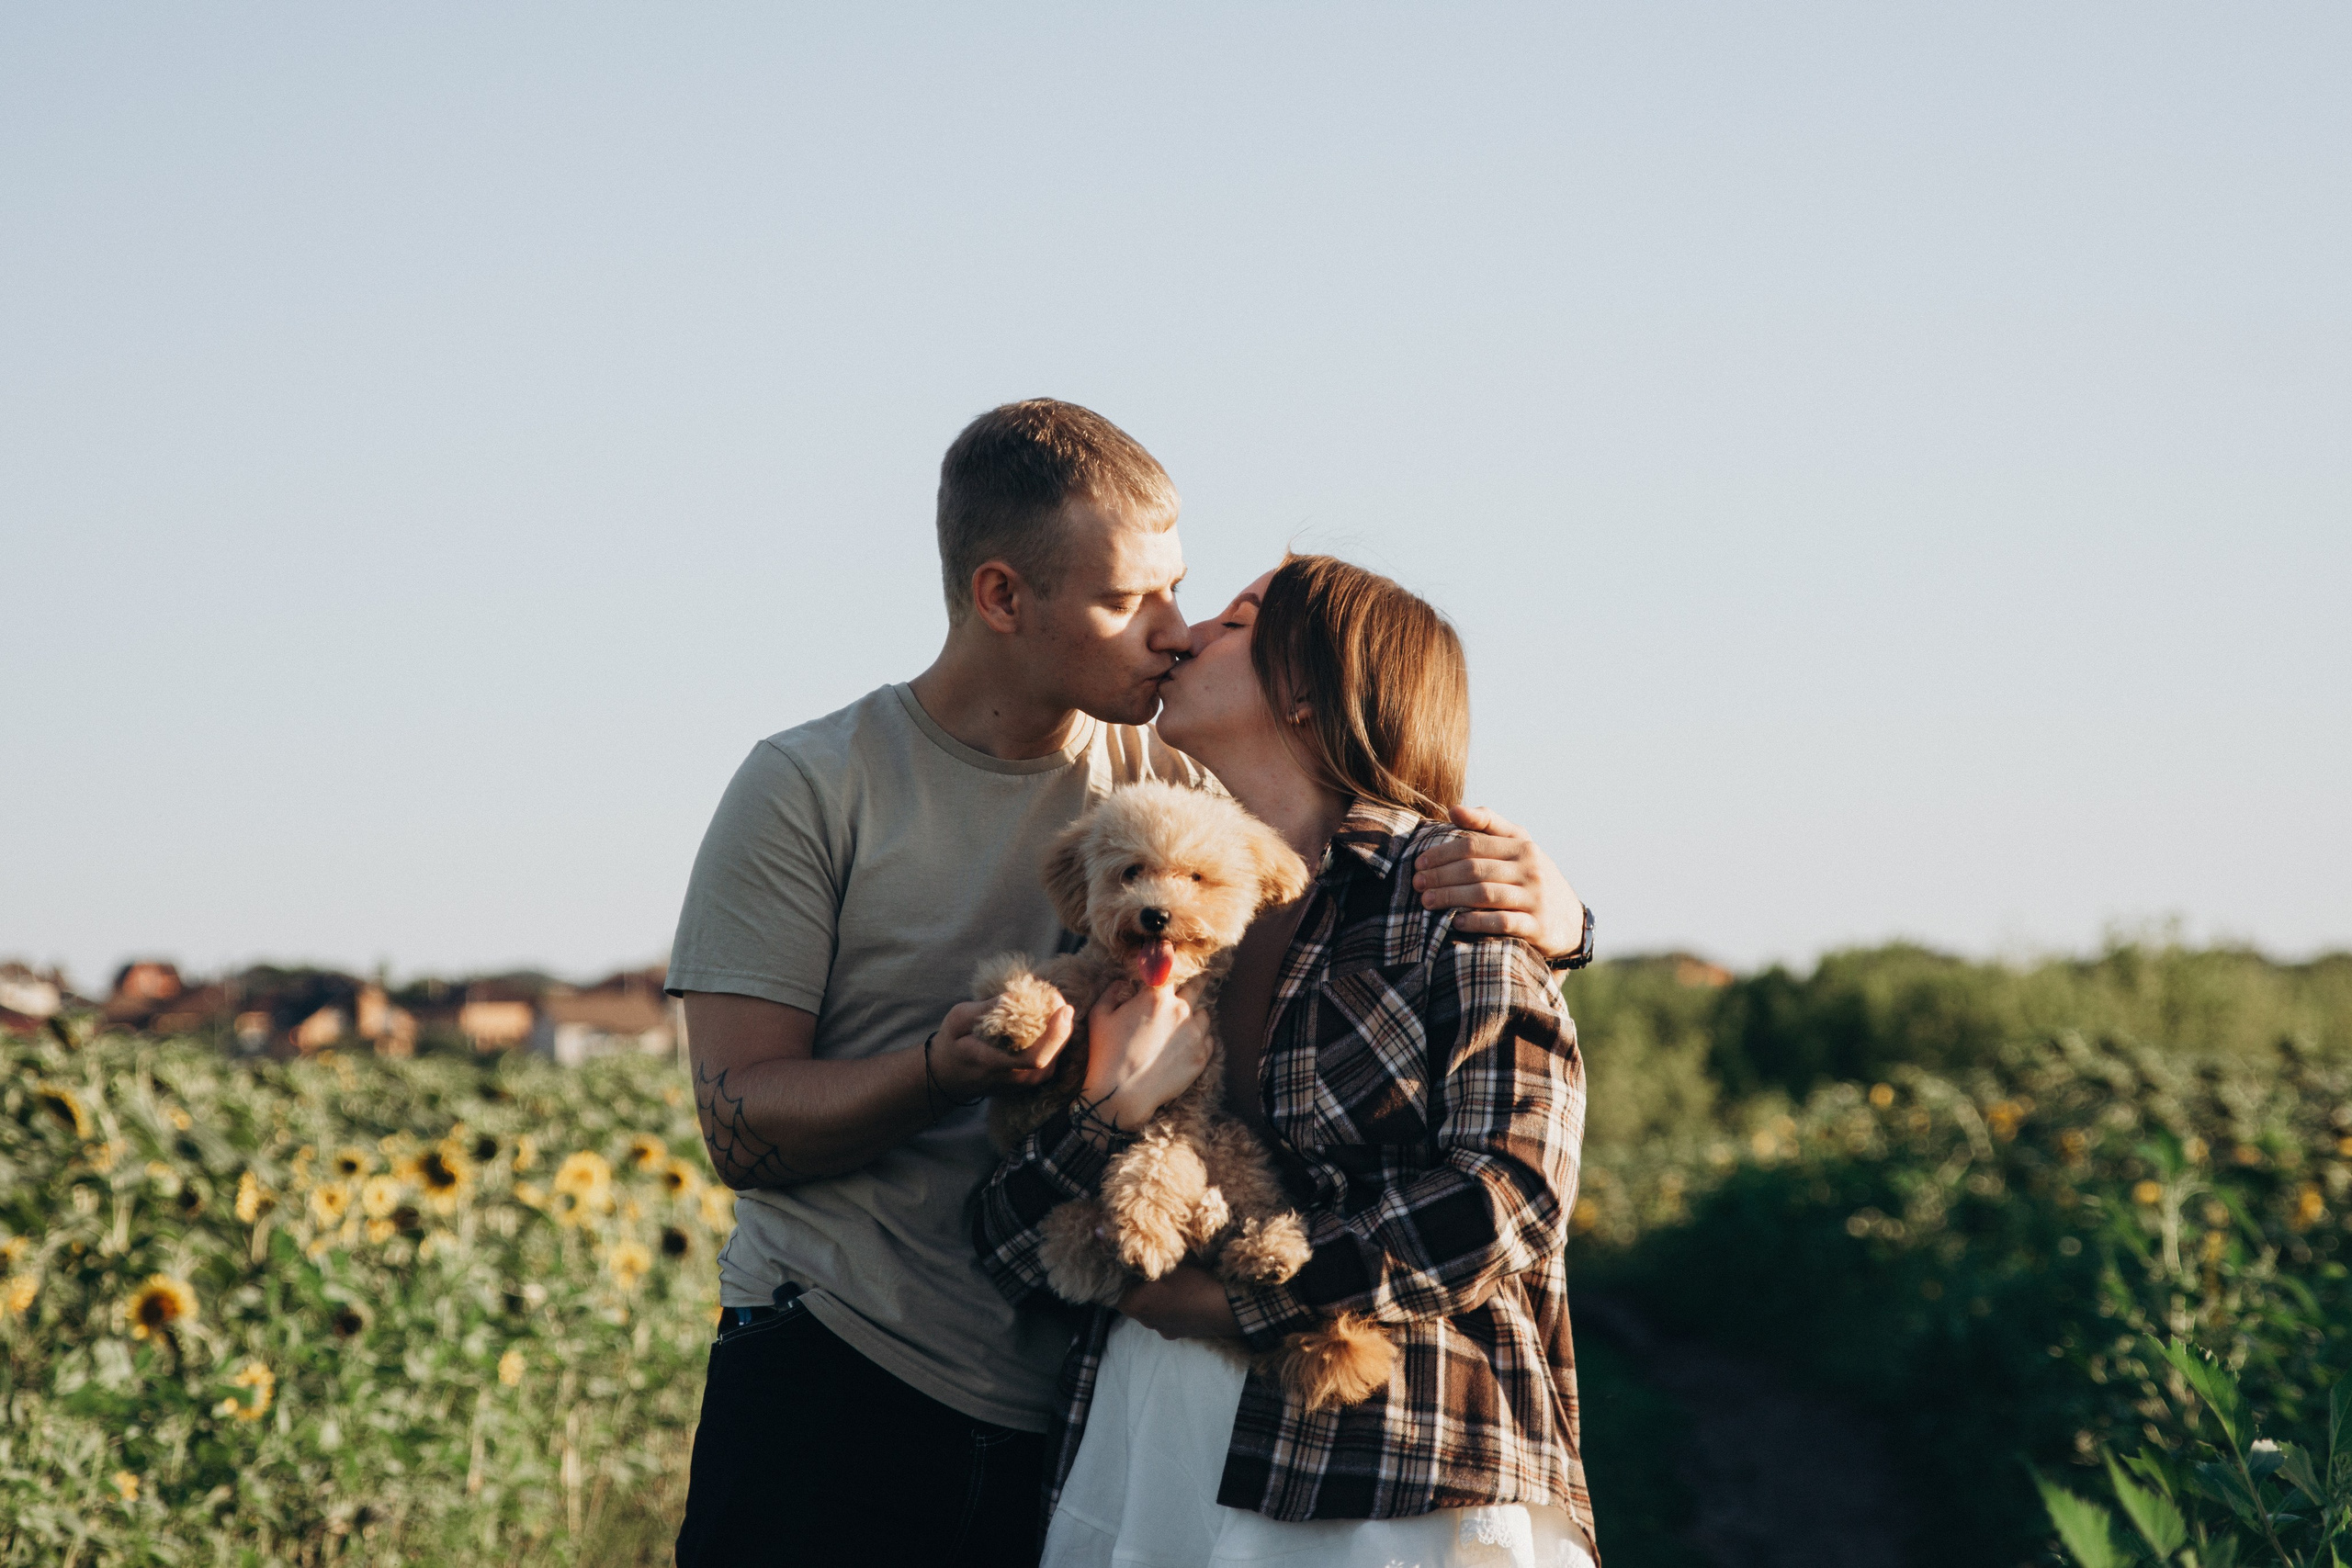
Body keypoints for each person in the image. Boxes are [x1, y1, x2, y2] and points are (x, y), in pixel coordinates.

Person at [665, 400, 1589, 1568]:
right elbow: (738, 1126)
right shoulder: (812, 786)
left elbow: (1489, 1132)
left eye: (1187, 593)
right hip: (854, 1366)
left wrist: (1561, 921)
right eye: (1127, 602)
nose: (1174, 630)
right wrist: (961, 1074)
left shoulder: (1182, 783)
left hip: (1106, 1410)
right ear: (1003, 598)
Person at [974, 554, 1600, 1568]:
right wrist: (1105, 1117)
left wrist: (1239, 1299)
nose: (1181, 634)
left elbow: (1511, 1193)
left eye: (1234, 619)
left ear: (1308, 687)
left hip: (1391, 1466)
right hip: (1155, 1442)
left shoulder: (1454, 898)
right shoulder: (1142, 936)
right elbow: (1007, 1236)